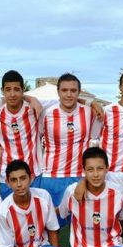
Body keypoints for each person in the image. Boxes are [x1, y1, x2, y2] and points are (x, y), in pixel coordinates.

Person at [39, 73, 102, 215]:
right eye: (64, 90)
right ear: (58, 92)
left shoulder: (90, 112)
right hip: (52, 176)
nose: (69, 95)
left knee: (82, 222)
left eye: (73, 91)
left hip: (79, 176)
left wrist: (90, 102)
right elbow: (35, 138)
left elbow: (95, 139)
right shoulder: (47, 113)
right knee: (52, 223)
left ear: (79, 93)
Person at [0, 70, 42, 199]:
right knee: (10, 215)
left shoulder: (33, 108)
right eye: (8, 89)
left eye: (16, 89)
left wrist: (89, 103)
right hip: (6, 177)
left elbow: (64, 100)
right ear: (2, 90)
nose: (12, 94)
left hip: (33, 175)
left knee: (35, 216)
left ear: (23, 90)